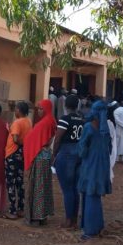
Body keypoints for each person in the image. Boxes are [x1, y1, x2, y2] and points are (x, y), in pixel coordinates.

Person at [78, 100, 112, 240]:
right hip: (102, 166)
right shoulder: (106, 130)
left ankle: (89, 230)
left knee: (90, 196)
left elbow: (82, 149)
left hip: (90, 165)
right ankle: (95, 226)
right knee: (95, 196)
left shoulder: (88, 127)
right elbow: (109, 149)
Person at [52, 95, 84, 229]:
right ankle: (74, 221)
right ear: (77, 106)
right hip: (79, 153)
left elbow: (58, 138)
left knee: (67, 190)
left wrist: (54, 155)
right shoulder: (83, 119)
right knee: (75, 189)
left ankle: (68, 220)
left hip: (66, 154)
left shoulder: (65, 119)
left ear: (65, 105)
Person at [23, 99, 56, 226]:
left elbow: (36, 140)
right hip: (46, 157)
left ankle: (37, 216)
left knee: (38, 186)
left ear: (47, 109)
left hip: (40, 157)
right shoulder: (51, 120)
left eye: (41, 108)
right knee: (44, 186)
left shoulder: (44, 123)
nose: (39, 111)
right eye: (38, 108)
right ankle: (43, 215)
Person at [3, 101, 32, 220]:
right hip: (21, 153)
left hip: (12, 153)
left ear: (19, 110)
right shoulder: (28, 121)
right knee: (20, 181)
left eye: (15, 109)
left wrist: (11, 131)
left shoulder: (17, 122)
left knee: (11, 182)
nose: (15, 111)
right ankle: (20, 209)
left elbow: (15, 139)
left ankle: (12, 211)